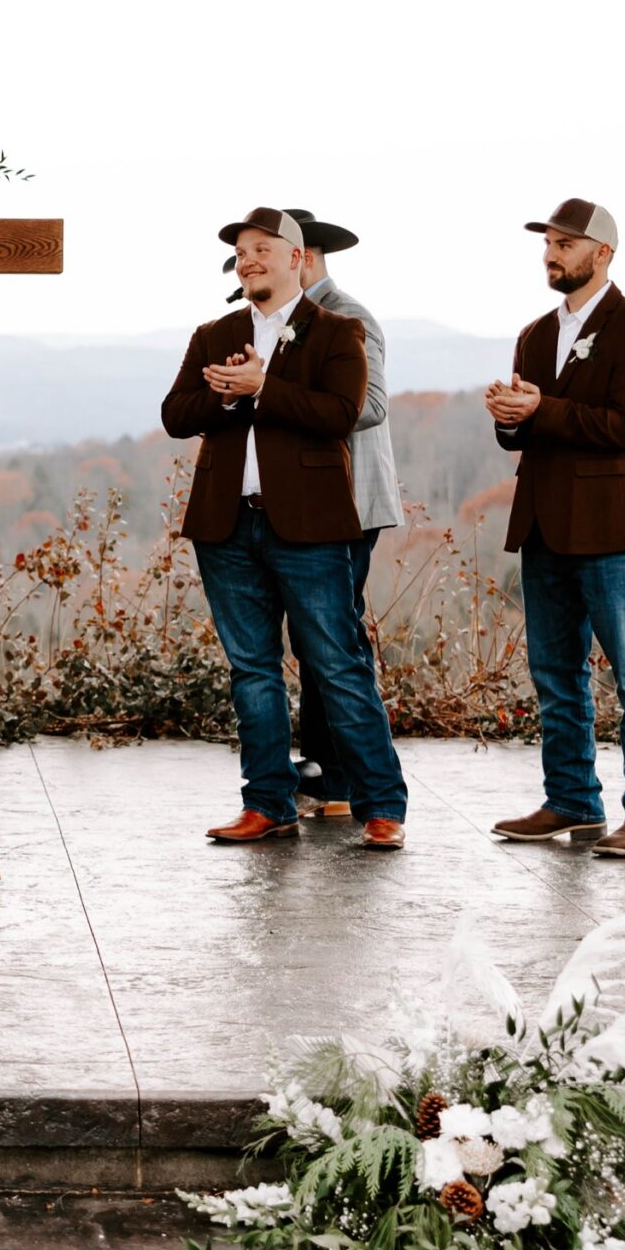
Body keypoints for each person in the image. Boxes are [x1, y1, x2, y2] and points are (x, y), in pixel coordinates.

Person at [162, 207, 408, 851]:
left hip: (312, 528)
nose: (249, 260)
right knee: (252, 671)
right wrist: (225, 395)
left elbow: (343, 413)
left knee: (338, 665)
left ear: (298, 258)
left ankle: (381, 805)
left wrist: (264, 387)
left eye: (263, 249)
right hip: (227, 527)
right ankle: (267, 802)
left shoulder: (338, 330)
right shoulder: (214, 332)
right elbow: (174, 414)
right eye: (241, 251)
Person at [486, 199, 625, 859]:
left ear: (602, 254)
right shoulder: (533, 334)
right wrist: (508, 418)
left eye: (566, 243)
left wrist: (543, 410)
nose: (551, 253)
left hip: (615, 532)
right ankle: (572, 801)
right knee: (556, 675)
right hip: (545, 526)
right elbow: (524, 433)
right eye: (548, 242)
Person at [278, 212, 405, 819]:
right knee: (317, 639)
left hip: (350, 501)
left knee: (335, 642)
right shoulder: (280, 320)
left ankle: (341, 780)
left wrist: (279, 403)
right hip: (307, 503)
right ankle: (328, 773)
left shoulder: (349, 316)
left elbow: (372, 406)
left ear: (304, 257)